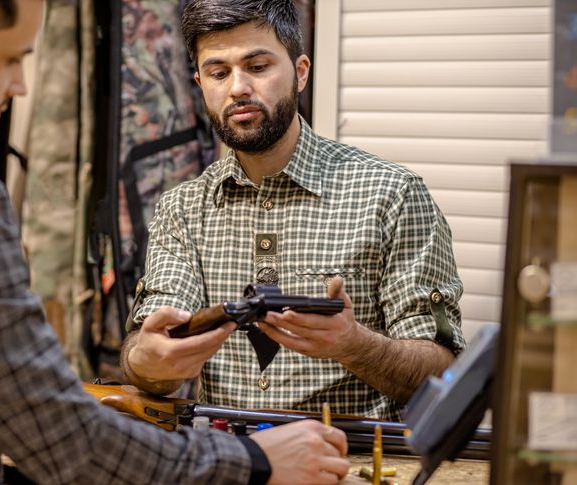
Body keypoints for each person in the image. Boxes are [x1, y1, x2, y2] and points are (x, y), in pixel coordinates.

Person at [0, 1, 351, 484]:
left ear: (300, 71)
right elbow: (65, 439)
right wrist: (251, 460)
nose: (20, 85)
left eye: (258, 66)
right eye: (11, 58)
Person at [122, 0, 466, 421]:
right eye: (219, 73)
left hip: (349, 453)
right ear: (200, 83)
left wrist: (353, 344)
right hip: (228, 454)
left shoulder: (392, 195)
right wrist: (147, 362)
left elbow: (445, 375)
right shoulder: (182, 210)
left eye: (257, 66)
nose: (237, 88)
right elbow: (147, 352)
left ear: (301, 72)